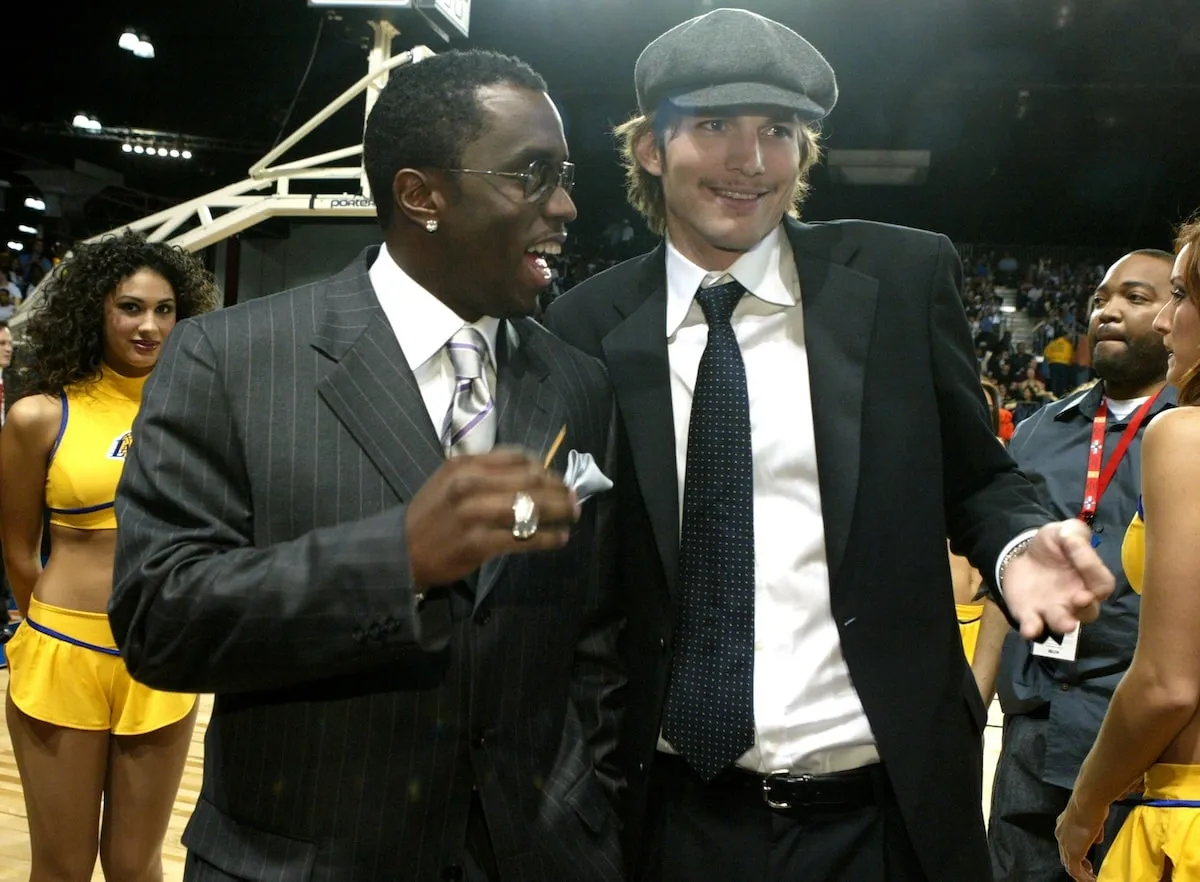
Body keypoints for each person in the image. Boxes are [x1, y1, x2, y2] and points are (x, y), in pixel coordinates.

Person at [544, 8, 1114, 881]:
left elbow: (979, 479)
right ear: (651, 149)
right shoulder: (587, 324)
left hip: (882, 811)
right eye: (713, 125)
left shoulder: (900, 279)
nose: (751, 159)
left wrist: (1014, 547)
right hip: (673, 814)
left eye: (779, 129)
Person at [108, 50, 624, 882]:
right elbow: (159, 622)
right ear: (421, 195)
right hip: (306, 859)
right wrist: (396, 562)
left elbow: (596, 635)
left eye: (561, 175)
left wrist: (582, 801)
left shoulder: (576, 382)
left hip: (537, 855)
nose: (564, 205)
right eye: (532, 175)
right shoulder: (230, 357)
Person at [0, 232, 218, 882]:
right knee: (63, 868)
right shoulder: (40, 416)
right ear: (96, 310)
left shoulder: (205, 411)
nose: (149, 325)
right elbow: (16, 547)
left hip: (160, 657)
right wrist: (51, 628)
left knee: (135, 864)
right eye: (130, 307)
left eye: (164, 309)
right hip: (64, 653)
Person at [984, 250, 1177, 881]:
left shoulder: (1188, 428)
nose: (1109, 311)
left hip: (1141, 735)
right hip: (1032, 724)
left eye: (1136, 297)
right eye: (1100, 299)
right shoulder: (1038, 432)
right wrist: (975, 701)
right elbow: (1000, 582)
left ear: (1175, 311)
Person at [1057, 221, 1200, 881]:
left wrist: (1085, 804)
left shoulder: (1184, 435)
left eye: (1181, 295)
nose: (1167, 323)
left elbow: (1168, 685)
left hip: (1185, 809)